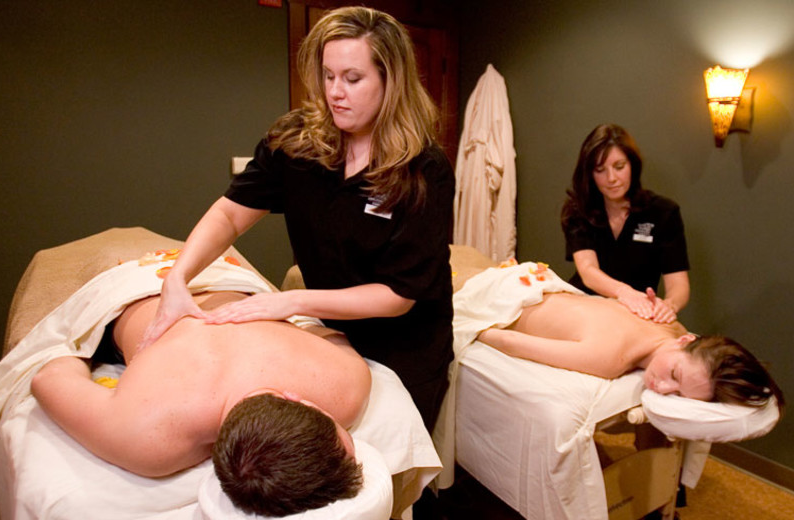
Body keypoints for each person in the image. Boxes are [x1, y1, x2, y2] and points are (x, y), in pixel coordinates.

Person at [139, 6, 454, 435]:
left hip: (407, 342)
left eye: (353, 78)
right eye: (328, 76)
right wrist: (178, 278)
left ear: (390, 80)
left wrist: (292, 301)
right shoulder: (298, 144)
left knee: (390, 455)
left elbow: (398, 295)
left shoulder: (424, 169)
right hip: (330, 332)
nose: (335, 92)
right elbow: (231, 213)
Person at [31, 290, 372, 517]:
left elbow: (52, 374)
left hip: (233, 281)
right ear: (297, 400)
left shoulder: (345, 385)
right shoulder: (145, 437)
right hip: (137, 287)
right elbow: (49, 375)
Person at [476, 291, 784, 410]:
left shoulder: (670, 322)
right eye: (674, 374)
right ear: (686, 341)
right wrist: (468, 329)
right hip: (502, 294)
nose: (662, 388)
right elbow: (510, 343)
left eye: (678, 394)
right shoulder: (609, 359)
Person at [561, 124, 690, 324]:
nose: (611, 178)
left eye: (619, 167)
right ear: (590, 174)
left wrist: (669, 305)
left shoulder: (664, 213)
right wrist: (624, 292)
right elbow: (588, 271)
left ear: (632, 166)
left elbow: (679, 285)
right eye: (600, 170)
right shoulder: (579, 211)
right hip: (584, 307)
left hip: (635, 314)